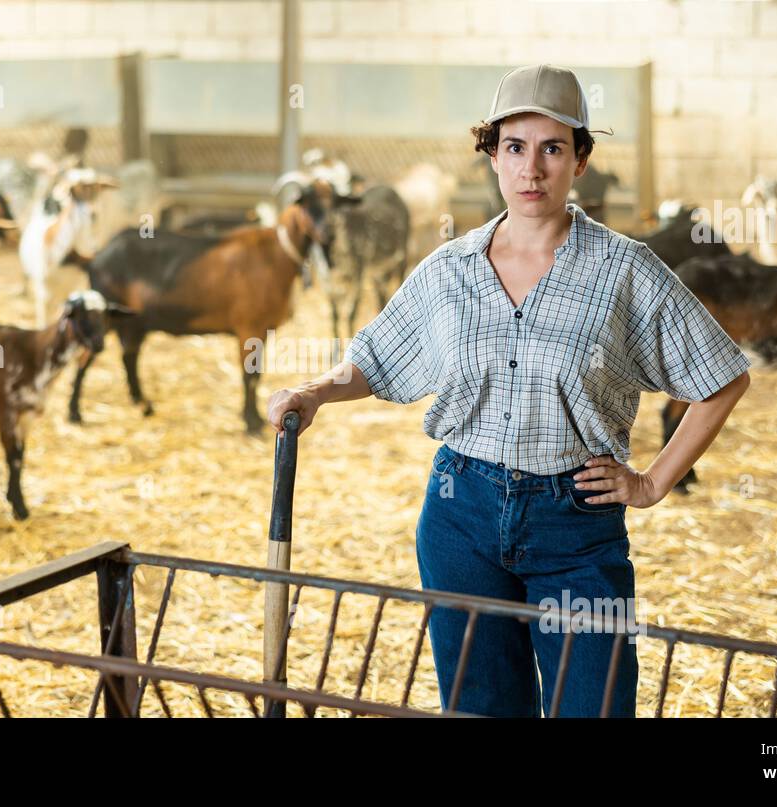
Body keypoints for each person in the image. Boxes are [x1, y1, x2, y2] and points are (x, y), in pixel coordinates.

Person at [265, 64, 751, 717]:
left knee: (595, 706)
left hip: (574, 523)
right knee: (482, 707)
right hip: (460, 512)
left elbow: (723, 376)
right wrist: (315, 392)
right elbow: (377, 359)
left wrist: (652, 481)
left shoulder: (625, 270)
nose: (532, 169)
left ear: (580, 159)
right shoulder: (451, 269)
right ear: (492, 154)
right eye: (515, 147)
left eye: (553, 148)